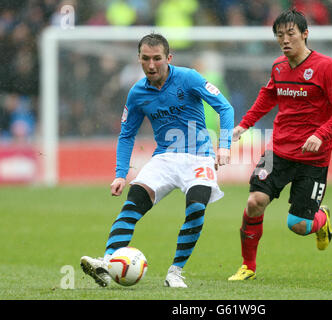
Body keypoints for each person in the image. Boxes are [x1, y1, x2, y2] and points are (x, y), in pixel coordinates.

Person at [80, 33, 234, 288]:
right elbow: (127, 134)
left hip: (199, 157)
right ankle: (106, 263)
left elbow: (225, 108)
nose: (151, 65)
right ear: (138, 59)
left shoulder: (189, 78)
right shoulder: (137, 93)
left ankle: (176, 271)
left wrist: (225, 146)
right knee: (133, 204)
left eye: (157, 59)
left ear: (169, 58)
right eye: (145, 59)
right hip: (163, 158)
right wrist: (120, 174)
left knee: (196, 207)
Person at [228, 9, 332, 281]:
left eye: (290, 34)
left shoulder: (327, 67)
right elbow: (267, 97)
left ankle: (321, 218)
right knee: (254, 202)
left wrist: (320, 134)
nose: (284, 40)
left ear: (305, 34)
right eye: (279, 35)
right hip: (278, 151)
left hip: (313, 158)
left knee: (298, 225)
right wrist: (243, 125)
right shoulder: (278, 67)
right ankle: (248, 266)